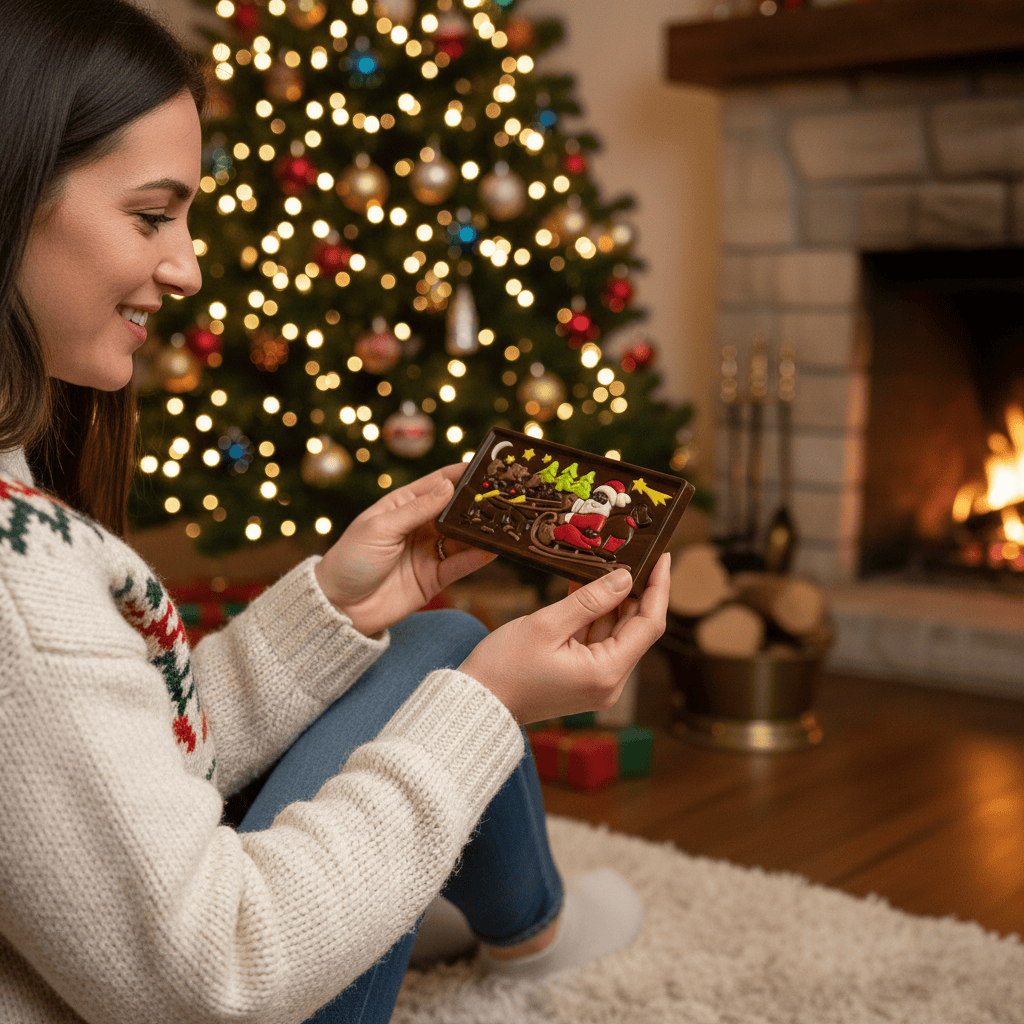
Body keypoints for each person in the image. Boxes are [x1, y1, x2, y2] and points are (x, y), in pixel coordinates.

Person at [0, 2, 671, 1022]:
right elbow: (217, 972)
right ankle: (524, 930)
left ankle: (513, 924)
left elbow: (100, 767)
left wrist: (331, 610)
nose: (185, 267)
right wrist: (488, 712)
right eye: (151, 215)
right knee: (453, 672)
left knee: (427, 633)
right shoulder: (22, 581)